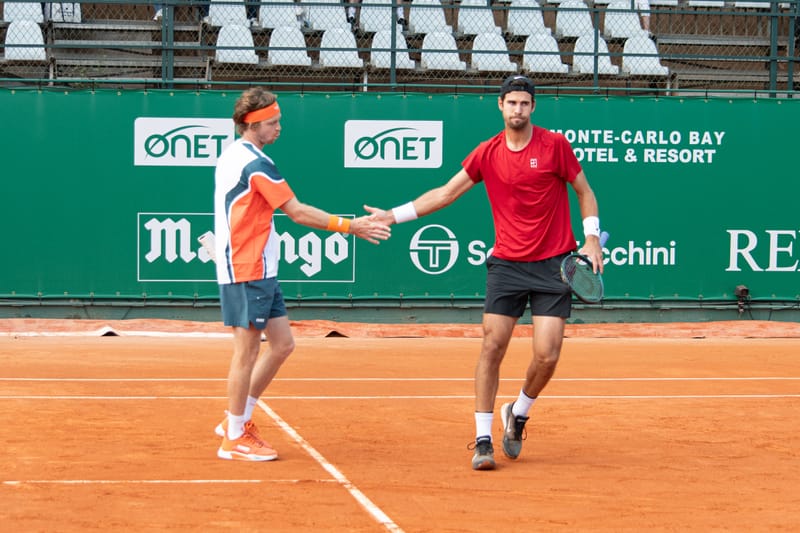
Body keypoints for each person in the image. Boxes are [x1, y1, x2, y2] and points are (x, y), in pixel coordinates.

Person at [364, 74, 603, 471]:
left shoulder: (555, 146)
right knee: (492, 346)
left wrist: (591, 238)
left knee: (547, 355)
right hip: (507, 264)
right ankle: (482, 438)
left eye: (525, 104)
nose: (518, 110)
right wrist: (392, 215)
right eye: (512, 103)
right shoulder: (487, 152)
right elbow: (445, 193)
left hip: (553, 263)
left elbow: (585, 191)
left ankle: (519, 411)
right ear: (501, 106)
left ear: (533, 108)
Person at [212, 87, 392, 461]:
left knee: (282, 345)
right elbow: (297, 212)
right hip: (247, 267)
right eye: (274, 122)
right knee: (245, 353)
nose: (279, 128)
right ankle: (233, 436)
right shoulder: (253, 163)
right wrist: (351, 225)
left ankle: (238, 417)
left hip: (260, 266)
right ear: (254, 123)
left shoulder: (238, 154)